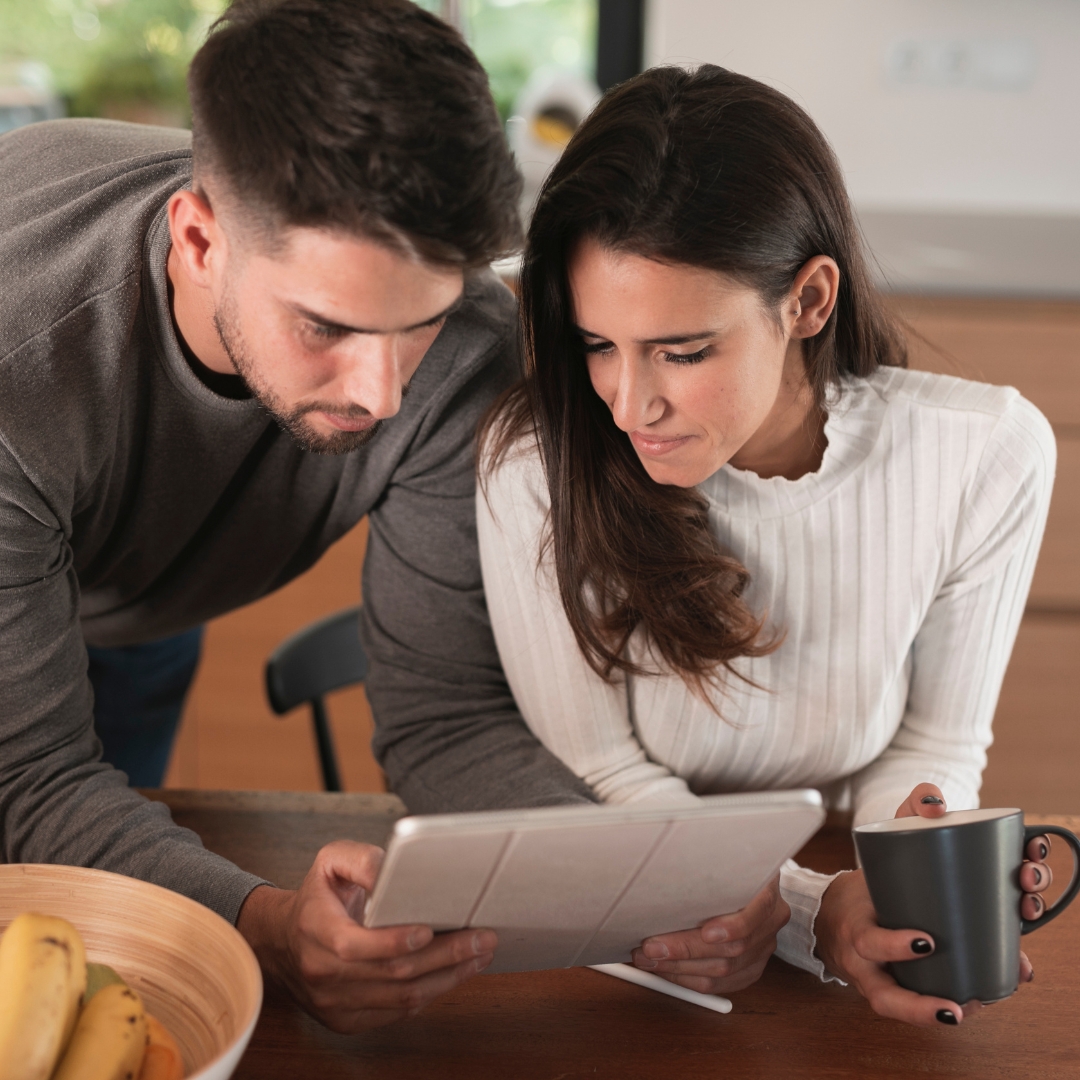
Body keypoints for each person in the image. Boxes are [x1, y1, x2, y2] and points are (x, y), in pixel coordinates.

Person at [0, 0, 595, 1033]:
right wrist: (268, 925)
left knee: (116, 952)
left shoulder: (464, 357)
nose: (384, 394)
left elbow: (443, 715)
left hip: (141, 591)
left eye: (421, 323)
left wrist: (632, 881)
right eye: (327, 325)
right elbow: (33, 784)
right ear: (198, 241)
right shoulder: (21, 361)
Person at [474, 65, 1058, 1027]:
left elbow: (933, 742)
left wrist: (910, 878)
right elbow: (604, 775)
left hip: (826, 895)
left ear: (810, 301)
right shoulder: (539, 466)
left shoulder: (984, 455)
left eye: (683, 350)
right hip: (636, 931)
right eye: (597, 345)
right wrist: (808, 910)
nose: (628, 404)